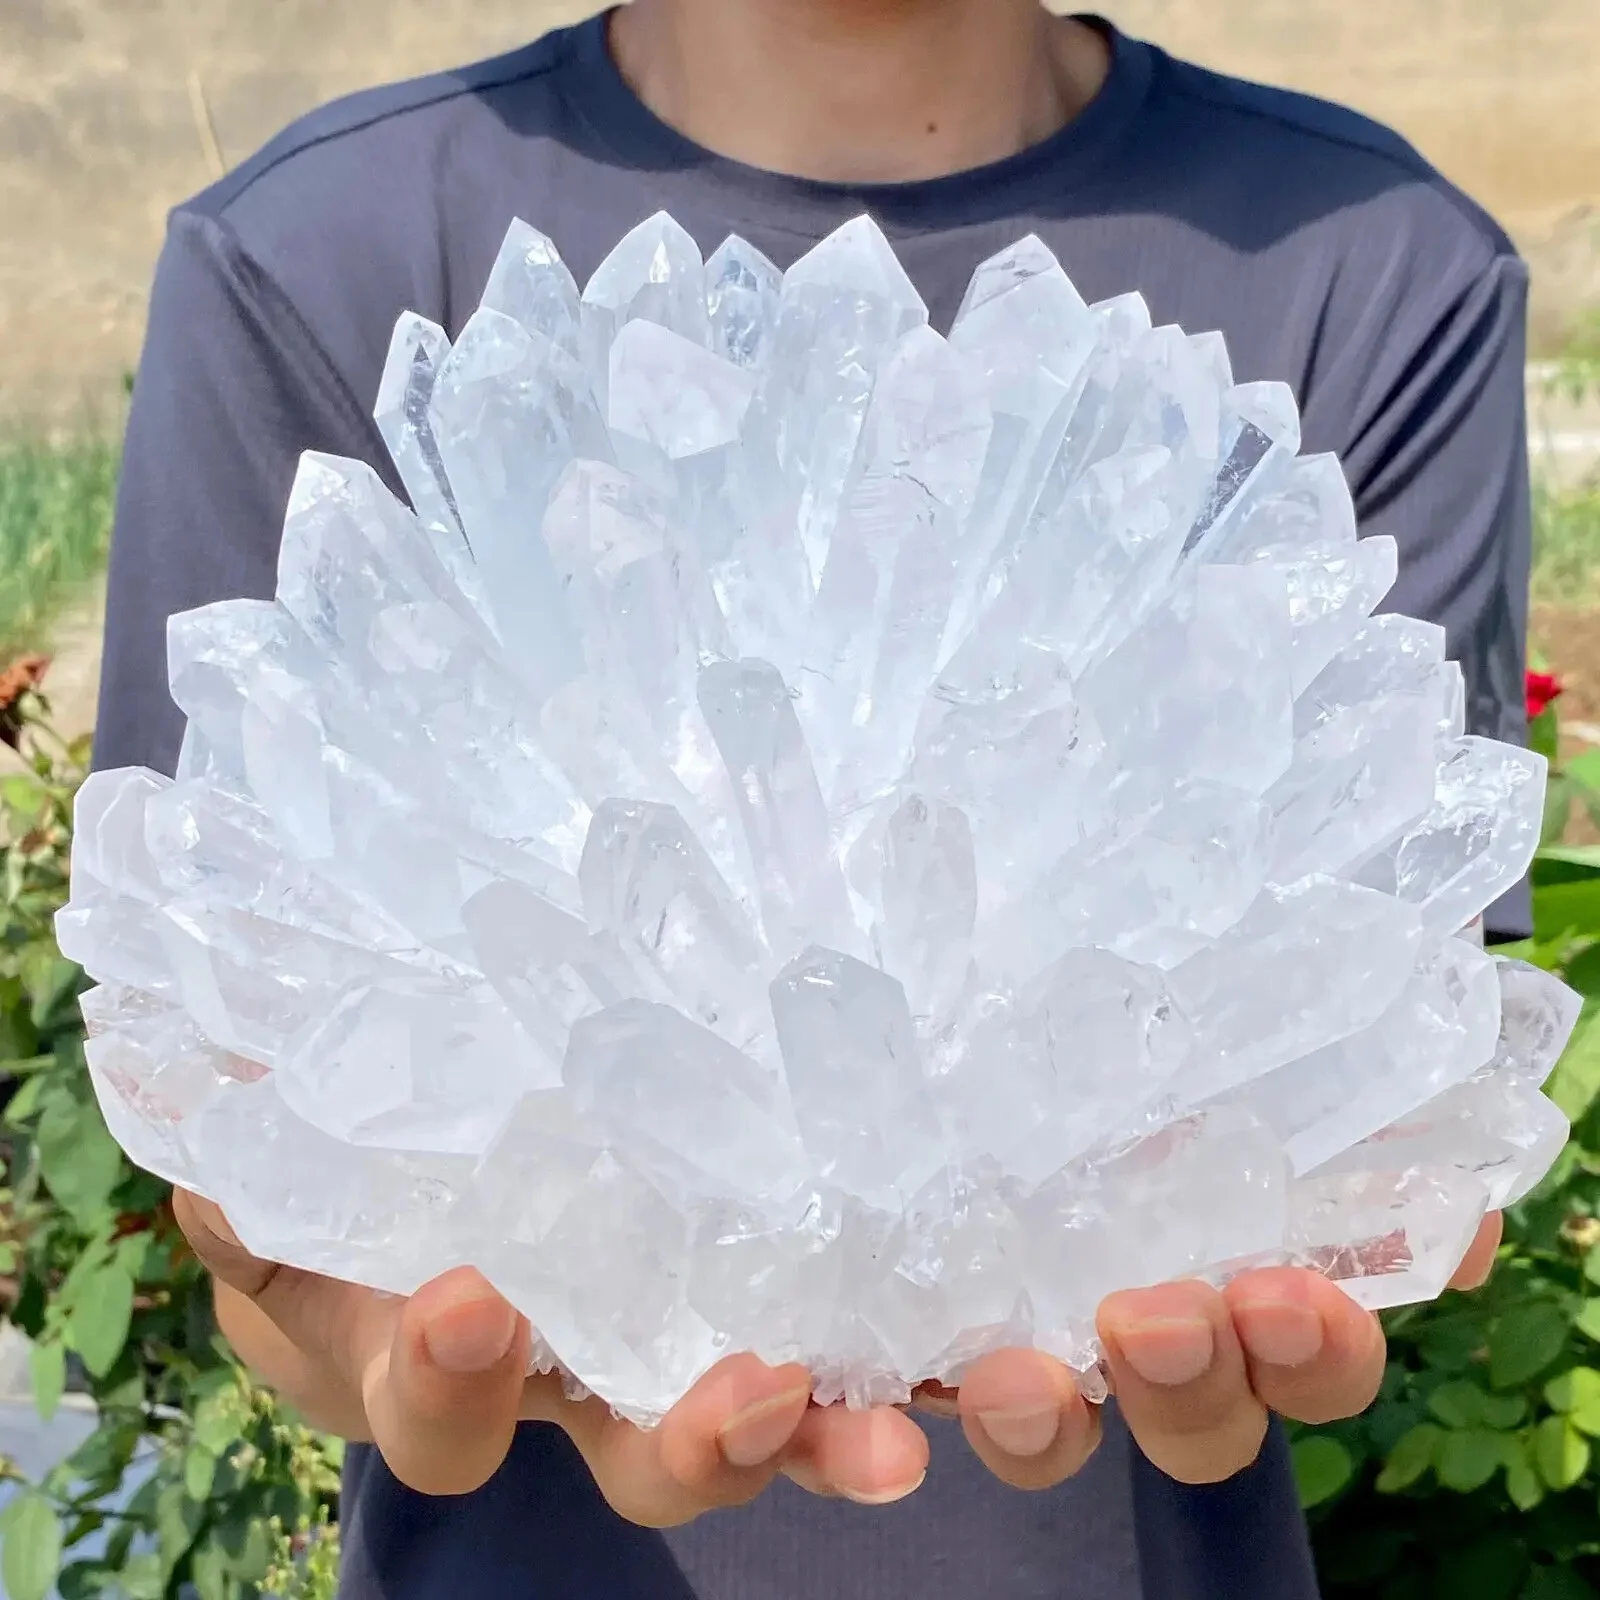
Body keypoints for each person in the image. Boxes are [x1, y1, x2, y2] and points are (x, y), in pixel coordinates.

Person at [95, 3, 1528, 1597]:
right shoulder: (310, 255)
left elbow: (1400, 1022)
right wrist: (349, 1312)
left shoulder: (1385, 268)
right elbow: (234, 1093)